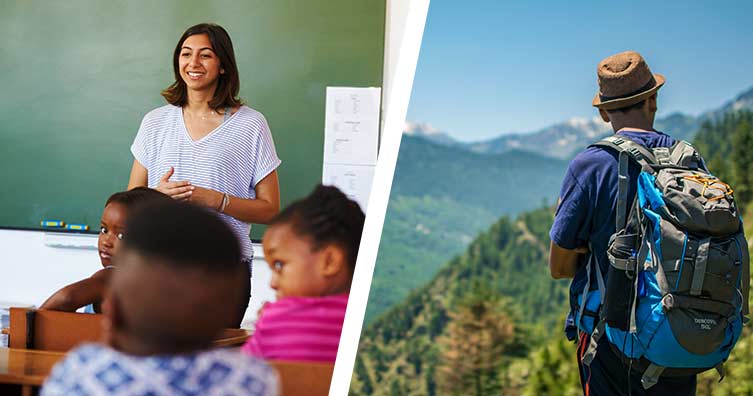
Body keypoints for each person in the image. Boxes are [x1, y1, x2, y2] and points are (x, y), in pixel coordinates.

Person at [548, 51, 696, 395]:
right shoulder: (688, 160)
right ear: (653, 99)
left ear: (602, 112)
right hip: (679, 335)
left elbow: (558, 267)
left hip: (611, 341)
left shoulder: (590, 165)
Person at [127, 23, 282, 327]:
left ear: (223, 65)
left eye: (205, 55)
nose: (193, 64)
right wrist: (156, 198)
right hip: (159, 267)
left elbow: (270, 209)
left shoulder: (251, 125)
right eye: (186, 54)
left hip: (223, 272)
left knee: (212, 364)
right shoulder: (155, 122)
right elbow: (129, 204)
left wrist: (215, 200)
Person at [41, 201, 278, 396]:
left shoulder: (81, 372)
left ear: (111, 309)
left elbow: (67, 297)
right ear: (230, 312)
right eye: (104, 230)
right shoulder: (250, 379)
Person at [242, 185, 365, 363]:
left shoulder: (276, 320)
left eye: (279, 265)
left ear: (330, 261)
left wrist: (267, 323)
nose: (273, 283)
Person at [40, 187, 170, 313]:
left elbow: (67, 298)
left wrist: (31, 323)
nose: (106, 242)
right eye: (104, 230)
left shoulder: (113, 276)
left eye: (121, 236)